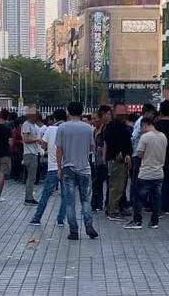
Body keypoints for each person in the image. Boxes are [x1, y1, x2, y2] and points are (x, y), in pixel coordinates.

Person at [56, 101, 99, 240]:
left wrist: (59, 168)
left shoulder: (62, 127)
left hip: (68, 168)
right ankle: (89, 226)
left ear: (68, 111)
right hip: (85, 169)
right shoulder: (88, 128)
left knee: (70, 202)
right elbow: (92, 147)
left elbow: (59, 149)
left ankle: (74, 231)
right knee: (85, 200)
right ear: (82, 112)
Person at [125, 117, 166, 230]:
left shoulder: (145, 137)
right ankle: (154, 222)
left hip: (146, 173)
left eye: (141, 127)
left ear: (145, 125)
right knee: (156, 199)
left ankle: (137, 221)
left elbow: (140, 154)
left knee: (139, 198)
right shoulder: (163, 136)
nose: (141, 130)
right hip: (159, 172)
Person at [29, 109, 67, 226]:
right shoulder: (67, 129)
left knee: (46, 194)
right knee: (65, 195)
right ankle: (60, 219)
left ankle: (37, 218)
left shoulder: (50, 129)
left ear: (54, 118)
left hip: (53, 167)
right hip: (66, 166)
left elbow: (44, 146)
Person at [103, 102, 133, 220]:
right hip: (116, 160)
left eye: (123, 113)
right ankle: (113, 211)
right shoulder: (112, 126)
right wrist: (119, 153)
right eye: (120, 113)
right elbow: (111, 142)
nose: (122, 115)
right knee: (116, 186)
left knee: (120, 186)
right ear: (114, 112)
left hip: (121, 159)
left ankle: (114, 208)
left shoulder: (122, 126)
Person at [152, 101, 169, 215]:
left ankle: (159, 206)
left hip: (158, 156)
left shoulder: (156, 125)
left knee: (158, 181)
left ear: (161, 111)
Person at [90, 105, 111, 212]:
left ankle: (107, 204)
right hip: (96, 161)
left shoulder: (105, 130)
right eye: (92, 119)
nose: (93, 121)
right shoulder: (94, 131)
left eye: (95, 118)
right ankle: (96, 204)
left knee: (107, 183)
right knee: (96, 184)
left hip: (105, 160)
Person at [21, 107, 41, 205]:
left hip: (34, 153)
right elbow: (26, 139)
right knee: (31, 177)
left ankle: (29, 197)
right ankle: (28, 198)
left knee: (32, 177)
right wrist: (37, 140)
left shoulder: (33, 126)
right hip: (30, 154)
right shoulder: (26, 125)